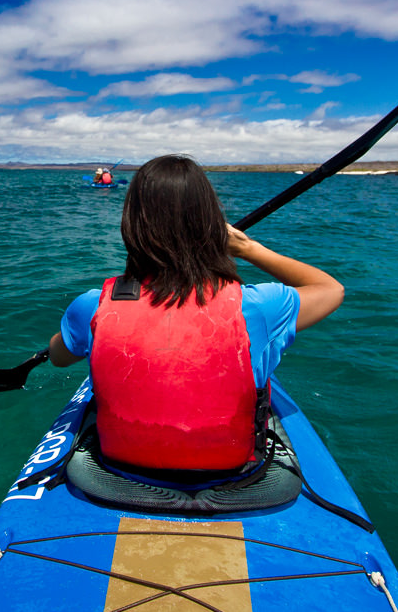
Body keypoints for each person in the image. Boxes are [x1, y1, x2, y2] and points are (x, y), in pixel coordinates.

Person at [47, 154, 344, 476]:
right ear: (211, 223)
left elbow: (58, 357)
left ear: (131, 225)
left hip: (117, 468)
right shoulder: (259, 307)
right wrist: (248, 248)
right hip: (231, 469)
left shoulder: (92, 306)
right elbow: (330, 289)